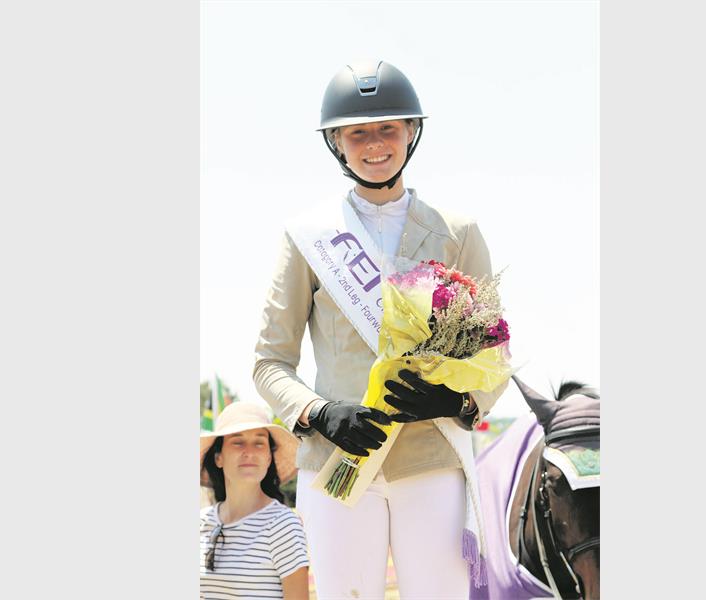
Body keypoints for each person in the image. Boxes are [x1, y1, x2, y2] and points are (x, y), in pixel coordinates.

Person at [253, 59, 507, 598]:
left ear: (411, 132)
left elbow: (495, 355)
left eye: (388, 128)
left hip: (432, 458)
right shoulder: (308, 237)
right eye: (357, 133)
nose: (374, 144)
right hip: (338, 460)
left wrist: (457, 402)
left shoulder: (459, 233)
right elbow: (269, 362)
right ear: (336, 143)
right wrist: (320, 412)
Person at [200, 401, 309, 599]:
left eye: (259, 443)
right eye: (237, 442)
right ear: (218, 458)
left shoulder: (283, 524)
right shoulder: (201, 522)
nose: (249, 452)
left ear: (268, 457)